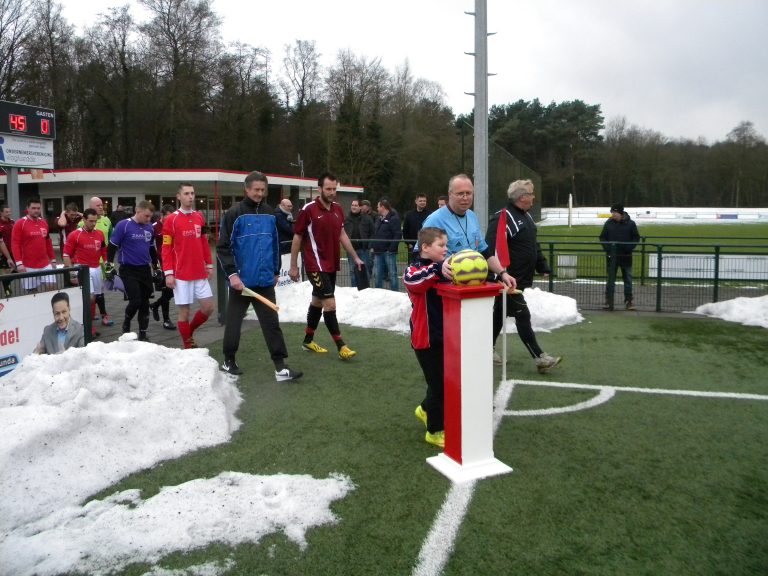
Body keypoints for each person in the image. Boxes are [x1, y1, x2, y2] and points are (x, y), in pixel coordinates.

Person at [217, 171, 302, 381]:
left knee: (272, 324)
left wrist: (274, 271)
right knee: (234, 324)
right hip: (242, 284)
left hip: (265, 281)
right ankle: (228, 361)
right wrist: (233, 275)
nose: (260, 193)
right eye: (256, 190)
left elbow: (274, 244)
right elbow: (222, 247)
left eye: (263, 190)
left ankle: (280, 367)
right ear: (246, 189)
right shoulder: (234, 214)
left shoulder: (269, 214)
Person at [486, 179, 562, 374]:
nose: (534, 197)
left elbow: (533, 245)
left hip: (521, 279)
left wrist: (542, 264)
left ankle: (485, 348)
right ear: (522, 197)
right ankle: (540, 358)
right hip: (507, 281)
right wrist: (500, 275)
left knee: (498, 314)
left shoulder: (526, 217)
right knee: (522, 314)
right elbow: (490, 249)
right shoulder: (503, 218)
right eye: (531, 193)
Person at [289, 171, 363, 360]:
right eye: (328, 189)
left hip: (331, 264)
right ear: (319, 189)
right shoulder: (308, 210)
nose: (332, 192)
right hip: (315, 265)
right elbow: (297, 237)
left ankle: (308, 340)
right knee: (329, 304)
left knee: (317, 302)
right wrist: (294, 266)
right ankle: (341, 346)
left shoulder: (338, 208)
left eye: (334, 189)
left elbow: (342, 235)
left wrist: (354, 257)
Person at [421, 174, 515, 289]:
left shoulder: (472, 216)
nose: (465, 198)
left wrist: (502, 273)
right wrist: (440, 267)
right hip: (445, 290)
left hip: (473, 287)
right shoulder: (434, 220)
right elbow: (419, 258)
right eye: (460, 194)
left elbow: (485, 252)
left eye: (469, 193)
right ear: (450, 194)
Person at [403, 227, 449, 448]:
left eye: (446, 245)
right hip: (425, 339)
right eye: (441, 245)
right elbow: (415, 281)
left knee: (441, 383)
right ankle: (435, 431)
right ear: (425, 247)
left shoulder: (442, 268)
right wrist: (439, 268)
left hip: (445, 336)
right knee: (439, 386)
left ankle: (424, 409)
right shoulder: (413, 269)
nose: (446, 249)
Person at [162, 183, 215, 349]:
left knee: (208, 308)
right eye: (186, 193)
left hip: (200, 272)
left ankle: (188, 333)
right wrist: (168, 273)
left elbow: (204, 242)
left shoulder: (199, 216)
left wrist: (209, 263)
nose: (190, 196)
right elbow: (166, 248)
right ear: (179, 196)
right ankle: (188, 346)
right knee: (184, 312)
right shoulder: (171, 219)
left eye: (192, 193)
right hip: (181, 274)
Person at [106, 200, 157, 341]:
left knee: (145, 303)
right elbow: (112, 246)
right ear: (138, 211)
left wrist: (157, 267)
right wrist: (109, 266)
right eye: (146, 216)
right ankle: (126, 323)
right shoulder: (124, 225)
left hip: (144, 270)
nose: (148, 220)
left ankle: (143, 334)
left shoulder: (149, 228)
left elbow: (152, 249)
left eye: (150, 217)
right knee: (136, 301)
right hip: (128, 270)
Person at [62, 208, 107, 338]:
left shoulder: (99, 234)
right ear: (84, 220)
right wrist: (72, 273)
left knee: (95, 298)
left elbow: (103, 251)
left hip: (97, 269)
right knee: (90, 297)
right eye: (91, 221)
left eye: (95, 221)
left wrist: (107, 264)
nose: (93, 224)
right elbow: (65, 255)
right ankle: (86, 327)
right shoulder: (75, 235)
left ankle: (89, 325)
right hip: (82, 268)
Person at [599, 203, 640, 311]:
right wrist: (608, 248)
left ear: (621, 213)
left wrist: (629, 248)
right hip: (611, 257)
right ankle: (609, 301)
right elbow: (602, 237)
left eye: (615, 212)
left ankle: (629, 301)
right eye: (612, 212)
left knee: (628, 280)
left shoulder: (631, 224)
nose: (613, 215)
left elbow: (636, 237)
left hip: (626, 256)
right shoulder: (608, 224)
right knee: (610, 280)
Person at [81, 197, 115, 327]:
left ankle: (103, 315)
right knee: (90, 293)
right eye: (98, 205)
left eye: (102, 205)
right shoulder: (82, 224)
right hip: (88, 263)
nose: (101, 207)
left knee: (100, 292)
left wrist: (109, 262)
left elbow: (112, 239)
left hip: (103, 261)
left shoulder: (107, 220)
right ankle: (92, 316)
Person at [11, 197, 57, 293]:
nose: (36, 210)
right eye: (33, 208)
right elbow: (15, 244)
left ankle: (50, 308)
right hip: (28, 265)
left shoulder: (44, 222)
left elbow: (48, 242)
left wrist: (53, 259)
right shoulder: (20, 223)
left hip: (45, 264)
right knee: (32, 294)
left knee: (52, 289)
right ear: (27, 208)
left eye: (38, 208)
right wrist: (19, 263)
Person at [150, 205, 176, 330]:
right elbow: (150, 246)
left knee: (172, 291)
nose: (171, 218)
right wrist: (154, 265)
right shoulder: (154, 227)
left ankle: (155, 305)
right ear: (162, 215)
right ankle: (166, 320)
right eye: (168, 216)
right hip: (161, 263)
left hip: (174, 262)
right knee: (167, 290)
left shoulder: (174, 225)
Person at [372, 198, 401, 291]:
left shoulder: (394, 218)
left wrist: (391, 249)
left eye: (378, 207)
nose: (377, 209)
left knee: (392, 274)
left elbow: (398, 235)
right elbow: (375, 233)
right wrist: (373, 246)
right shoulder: (378, 219)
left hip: (389, 252)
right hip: (378, 251)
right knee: (378, 274)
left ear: (383, 207)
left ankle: (395, 293)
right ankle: (378, 293)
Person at [343, 198, 373, 286]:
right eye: (352, 205)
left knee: (365, 271)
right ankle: (354, 291)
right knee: (352, 271)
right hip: (351, 250)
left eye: (356, 205)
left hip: (363, 250)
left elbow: (372, 232)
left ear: (360, 207)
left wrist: (369, 245)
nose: (353, 207)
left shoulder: (367, 218)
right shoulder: (346, 219)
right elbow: (342, 233)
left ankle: (365, 290)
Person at [402, 193, 429, 264]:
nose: (422, 202)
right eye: (420, 201)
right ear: (416, 201)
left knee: (426, 266)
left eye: (424, 201)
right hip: (412, 246)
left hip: (426, 246)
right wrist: (408, 243)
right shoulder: (409, 215)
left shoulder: (430, 215)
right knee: (412, 265)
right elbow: (405, 230)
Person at [0, 205, 15, 297]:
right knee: (5, 275)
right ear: (1, 213)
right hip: (3, 254)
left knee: (13, 271)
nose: (9, 213)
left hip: (13, 252)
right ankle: (8, 294)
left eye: (9, 211)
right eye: (6, 212)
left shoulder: (13, 222)